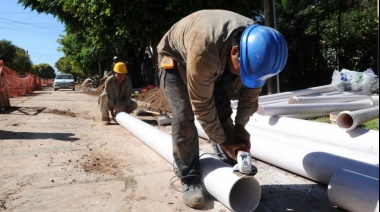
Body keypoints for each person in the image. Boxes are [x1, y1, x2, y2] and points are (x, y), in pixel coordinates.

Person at [157, 9, 288, 209]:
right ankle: (189, 178)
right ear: (235, 51)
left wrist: (240, 127)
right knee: (184, 116)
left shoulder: (259, 48)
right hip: (176, 60)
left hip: (217, 59)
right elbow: (201, 105)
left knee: (223, 110)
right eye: (243, 72)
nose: (245, 78)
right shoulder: (204, 48)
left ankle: (228, 157)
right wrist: (223, 140)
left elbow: (250, 94)